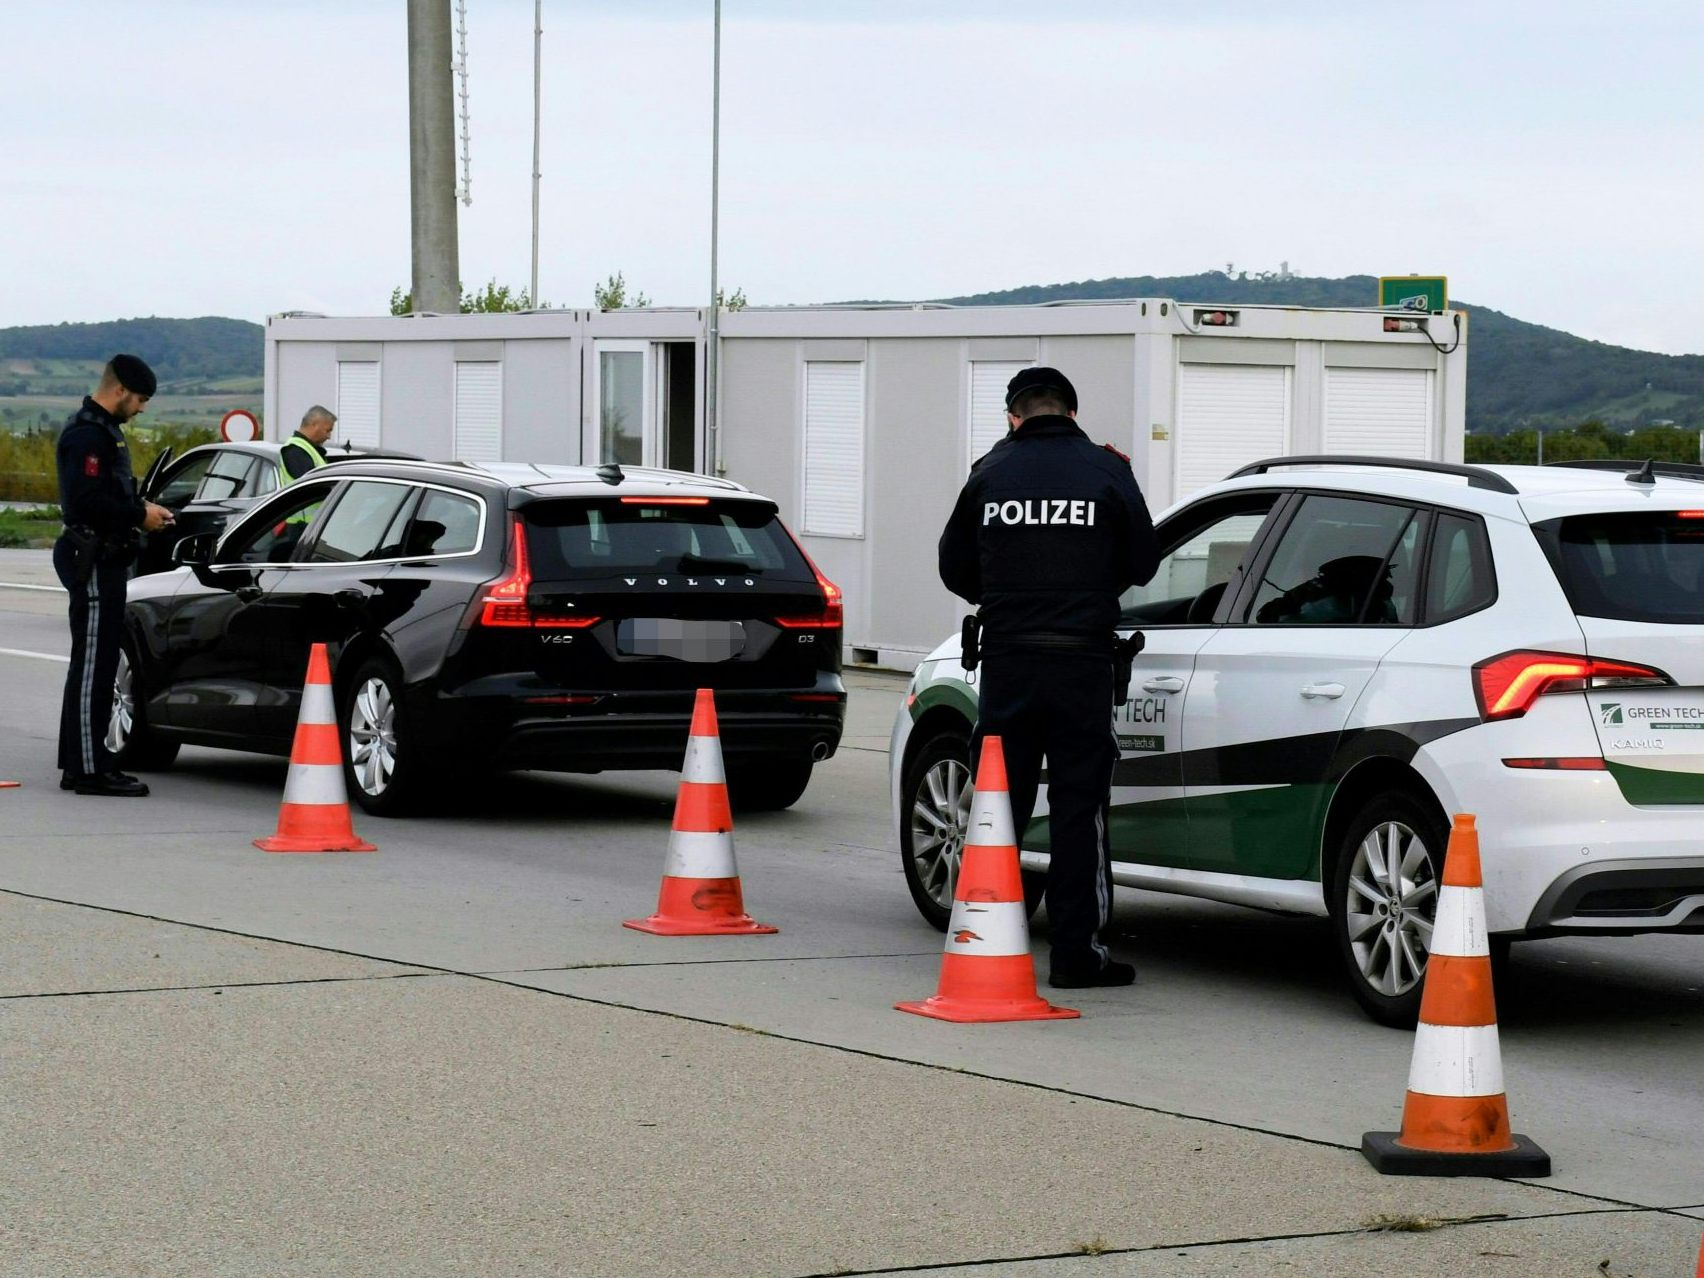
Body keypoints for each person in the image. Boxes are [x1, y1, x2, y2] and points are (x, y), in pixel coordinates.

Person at [938, 367, 1159, 988]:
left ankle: (983, 937)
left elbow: (954, 567)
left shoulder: (991, 472)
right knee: (1078, 806)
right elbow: (1144, 562)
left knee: (997, 806)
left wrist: (1008, 595)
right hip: (1083, 661)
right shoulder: (1107, 470)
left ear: (1015, 415)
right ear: (1071, 410)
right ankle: (1075, 955)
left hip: (1008, 660)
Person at [55, 355, 174, 797]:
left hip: (103, 556)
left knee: (97, 664)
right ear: (120, 389)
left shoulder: (105, 432)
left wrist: (140, 511)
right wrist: (140, 514)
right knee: (94, 666)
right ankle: (88, 769)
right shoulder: (90, 434)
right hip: (92, 556)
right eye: (140, 399)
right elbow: (88, 502)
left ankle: (80, 762)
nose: (142, 408)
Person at [279, 405, 336, 485]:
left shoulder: (308, 448)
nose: (329, 436)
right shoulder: (295, 450)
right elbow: (310, 487)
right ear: (314, 425)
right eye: (327, 430)